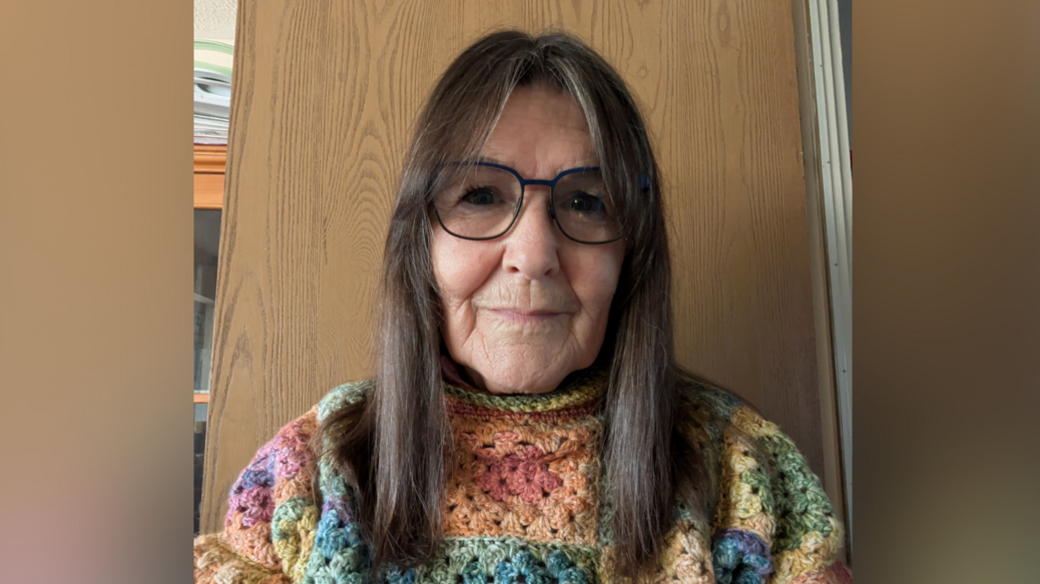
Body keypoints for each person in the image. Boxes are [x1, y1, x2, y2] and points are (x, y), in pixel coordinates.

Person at [194, 30, 851, 584]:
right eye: (479, 194)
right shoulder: (306, 474)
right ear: (418, 244)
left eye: (587, 202)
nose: (533, 253)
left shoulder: (744, 473)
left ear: (632, 256)